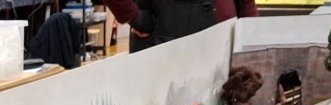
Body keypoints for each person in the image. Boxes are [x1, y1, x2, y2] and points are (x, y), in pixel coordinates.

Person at [103, 0, 256, 52]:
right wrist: (134, 17)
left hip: (224, 44)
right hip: (164, 45)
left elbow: (247, 4)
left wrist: (251, 40)